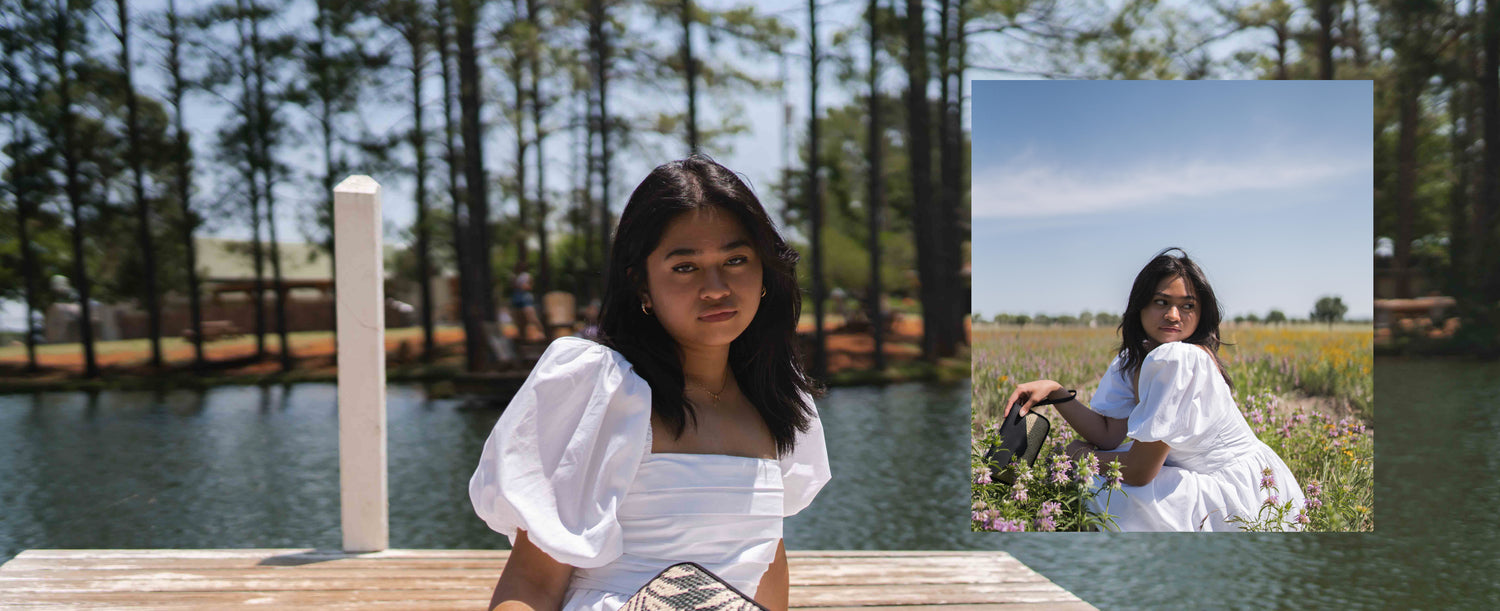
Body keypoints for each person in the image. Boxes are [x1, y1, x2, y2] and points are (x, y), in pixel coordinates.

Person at [470, 156, 831, 610]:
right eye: (685, 267)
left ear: (765, 272)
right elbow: (532, 581)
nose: (716, 287)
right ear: (641, 284)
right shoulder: (604, 388)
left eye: (736, 260)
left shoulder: (775, 395)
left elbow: (765, 563)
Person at [1006, 248, 1304, 532]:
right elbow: (1110, 434)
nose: (1174, 315)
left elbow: (1139, 470)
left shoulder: (1180, 359)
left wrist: (1076, 454)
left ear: (1201, 314)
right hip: (1228, 475)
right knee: (1096, 476)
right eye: (1161, 302)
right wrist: (1056, 392)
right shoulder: (1135, 358)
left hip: (1240, 492)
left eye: (1188, 306)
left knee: (1101, 487)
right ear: (1140, 306)